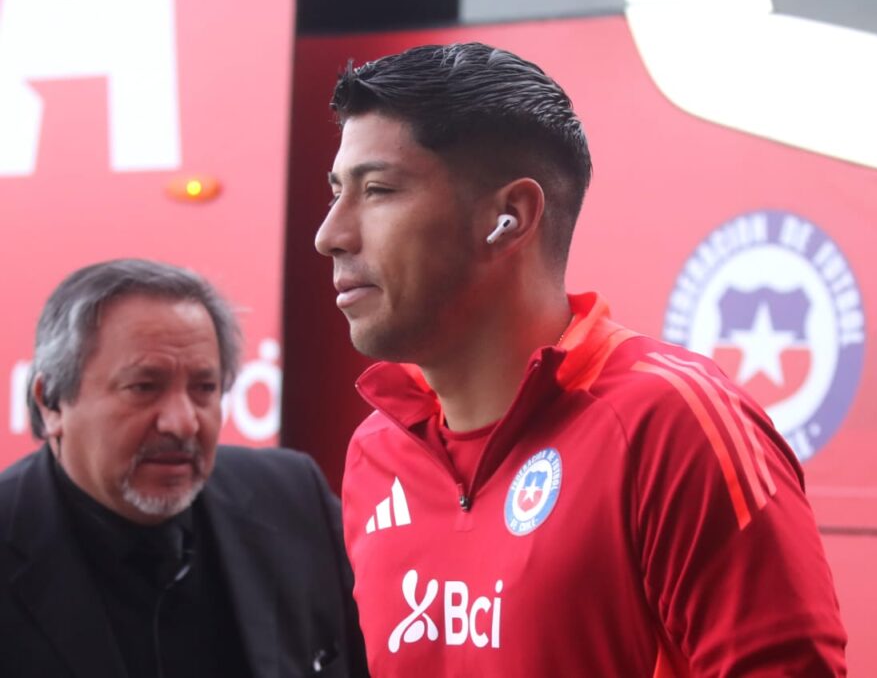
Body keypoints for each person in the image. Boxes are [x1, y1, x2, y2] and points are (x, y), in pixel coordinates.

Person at [315, 43, 847, 676]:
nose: (331, 234)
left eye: (377, 190)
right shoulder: (377, 450)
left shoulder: (671, 420)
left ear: (509, 217)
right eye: (336, 192)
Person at [0, 259, 368, 678]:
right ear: (50, 403)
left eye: (204, 388)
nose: (182, 422)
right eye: (144, 387)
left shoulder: (293, 500)